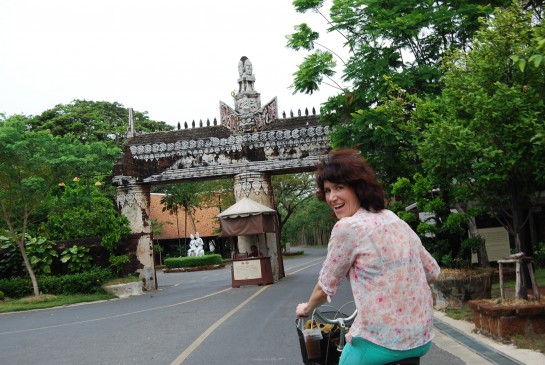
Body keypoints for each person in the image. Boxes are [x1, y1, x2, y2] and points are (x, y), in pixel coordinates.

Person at [295, 149, 440, 365]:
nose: (332, 197)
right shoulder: (393, 219)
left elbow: (325, 287)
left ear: (358, 188)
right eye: (327, 190)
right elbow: (433, 271)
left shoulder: (348, 227)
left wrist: (306, 309)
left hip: (380, 342)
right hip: (420, 338)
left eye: (339, 187)